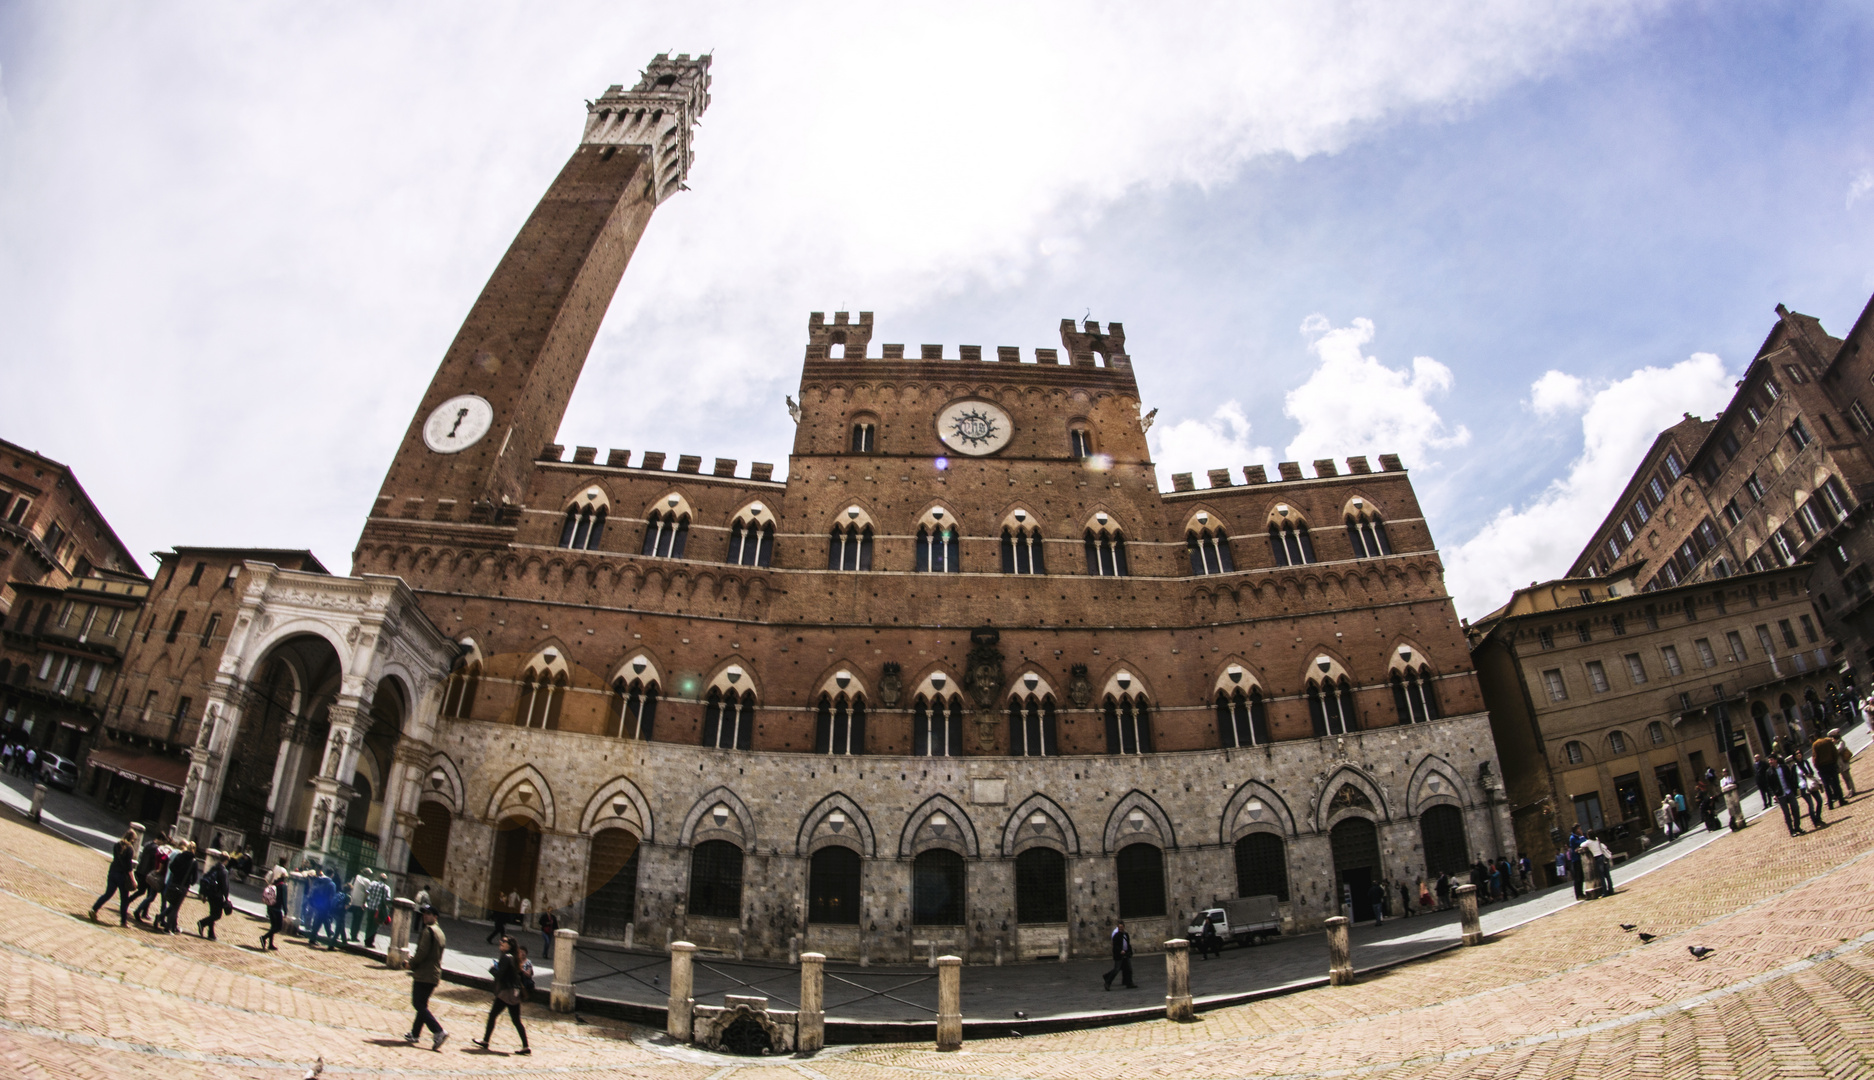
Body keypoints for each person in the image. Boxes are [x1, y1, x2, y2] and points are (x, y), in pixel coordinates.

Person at [472, 935, 530, 1054]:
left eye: (504, 942)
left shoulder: (506, 957)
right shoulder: (514, 957)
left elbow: (500, 975)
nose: (501, 943)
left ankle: (485, 1041)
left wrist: (493, 969)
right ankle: (525, 1046)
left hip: (506, 993)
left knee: (493, 1015)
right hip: (515, 992)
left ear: (510, 945)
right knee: (516, 1020)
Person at [404, 905, 449, 1051]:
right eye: (424, 913)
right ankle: (415, 1033)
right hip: (434, 974)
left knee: (418, 1004)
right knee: (422, 1004)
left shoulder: (428, 931)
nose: (425, 916)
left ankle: (438, 1031)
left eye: (429, 913)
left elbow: (422, 952)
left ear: (435, 917)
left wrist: (410, 964)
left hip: (425, 973)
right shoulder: (440, 932)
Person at [91, 829, 138, 925]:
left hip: (112, 871)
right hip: (122, 876)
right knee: (124, 899)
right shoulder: (129, 849)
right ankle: (123, 921)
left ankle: (94, 909)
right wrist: (133, 880)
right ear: (132, 839)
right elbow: (129, 867)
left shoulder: (117, 845)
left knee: (108, 894)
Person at [159, 842, 199, 933]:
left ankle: (161, 918)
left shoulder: (179, 856)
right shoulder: (193, 862)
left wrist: (176, 875)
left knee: (172, 905)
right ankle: (167, 928)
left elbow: (172, 867)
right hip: (183, 886)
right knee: (175, 908)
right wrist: (190, 882)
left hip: (174, 883)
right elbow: (195, 878)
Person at [196, 850, 231, 940]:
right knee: (217, 915)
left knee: (212, 913)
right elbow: (225, 886)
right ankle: (202, 923)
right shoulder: (223, 871)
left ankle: (211, 933)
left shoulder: (214, 867)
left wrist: (204, 894)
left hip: (210, 893)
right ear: (226, 861)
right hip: (217, 895)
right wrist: (226, 897)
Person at [1813, 731, 1847, 808]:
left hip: (1822, 767)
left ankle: (1830, 804)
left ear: (1815, 737)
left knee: (1827, 786)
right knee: (1836, 783)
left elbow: (1815, 757)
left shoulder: (1815, 745)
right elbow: (1835, 752)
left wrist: (1817, 766)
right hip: (1831, 764)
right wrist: (1834, 762)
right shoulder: (1828, 741)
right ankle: (1841, 800)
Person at [260, 863, 289, 950]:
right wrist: (286, 911)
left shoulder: (274, 883)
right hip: (277, 909)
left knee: (273, 926)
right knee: (278, 927)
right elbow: (284, 899)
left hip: (270, 907)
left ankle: (270, 944)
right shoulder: (282, 886)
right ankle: (264, 937)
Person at [1103, 919, 1136, 990]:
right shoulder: (1116, 936)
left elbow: (1127, 944)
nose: (1121, 928)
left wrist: (1129, 952)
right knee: (1116, 969)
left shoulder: (1126, 935)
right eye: (1119, 927)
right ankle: (1107, 982)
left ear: (1124, 927)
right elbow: (1115, 946)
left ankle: (1129, 983)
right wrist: (1120, 951)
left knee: (1128, 969)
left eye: (1122, 927)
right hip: (1119, 955)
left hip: (1126, 954)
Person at [366, 871, 394, 949]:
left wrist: (366, 901)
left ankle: (366, 940)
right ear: (385, 880)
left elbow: (367, 892)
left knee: (369, 924)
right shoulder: (386, 888)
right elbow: (387, 899)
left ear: (379, 878)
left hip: (371, 907)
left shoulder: (373, 883)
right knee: (375, 926)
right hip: (378, 910)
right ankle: (370, 942)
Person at [348, 871, 373, 942]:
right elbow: (367, 893)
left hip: (352, 901)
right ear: (367, 875)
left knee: (353, 919)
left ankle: (349, 934)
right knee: (357, 921)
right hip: (360, 904)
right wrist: (364, 902)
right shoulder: (367, 881)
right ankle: (354, 936)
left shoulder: (357, 877)